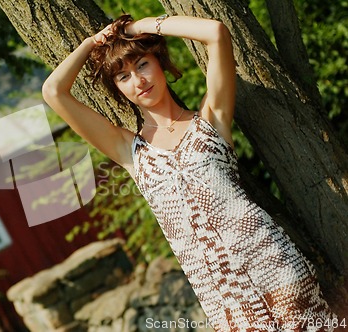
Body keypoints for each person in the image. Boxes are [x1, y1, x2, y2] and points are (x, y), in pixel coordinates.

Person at [42, 14, 336, 331]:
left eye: (142, 64)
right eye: (123, 76)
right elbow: (54, 92)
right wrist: (91, 43)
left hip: (274, 265)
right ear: (117, 89)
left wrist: (139, 28)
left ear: (159, 62)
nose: (138, 80)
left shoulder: (211, 119)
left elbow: (216, 33)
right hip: (222, 296)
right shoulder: (130, 150)